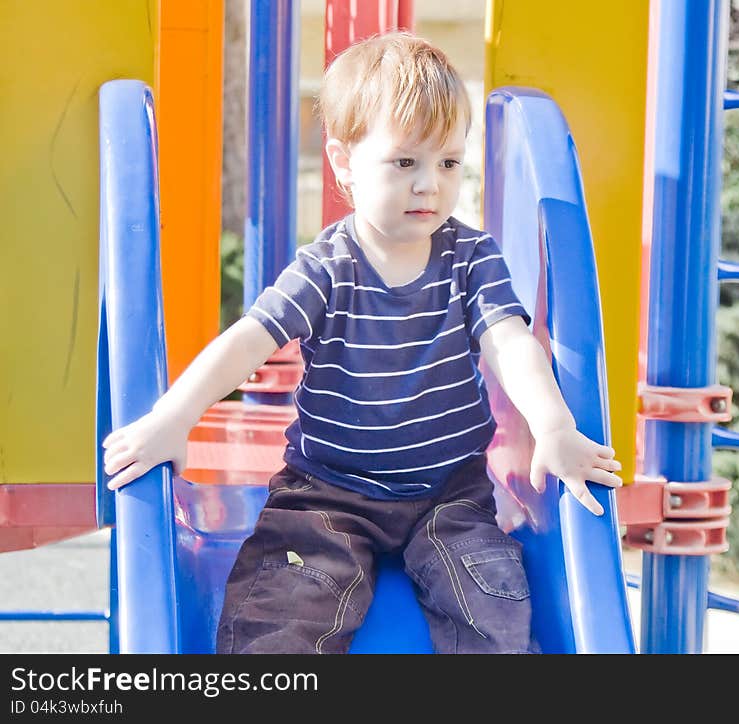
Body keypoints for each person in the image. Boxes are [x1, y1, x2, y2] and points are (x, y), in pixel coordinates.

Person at [101, 32, 623, 654]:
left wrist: (555, 427)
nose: (430, 185)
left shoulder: (470, 257)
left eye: (449, 163)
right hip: (327, 491)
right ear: (344, 161)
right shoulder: (327, 265)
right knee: (283, 613)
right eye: (406, 162)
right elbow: (247, 341)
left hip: (449, 493)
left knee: (496, 609)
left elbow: (511, 342)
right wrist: (172, 419)